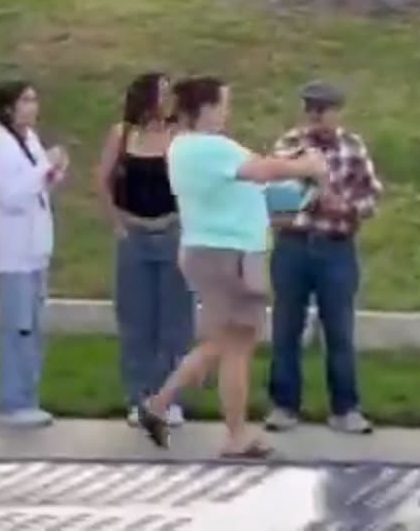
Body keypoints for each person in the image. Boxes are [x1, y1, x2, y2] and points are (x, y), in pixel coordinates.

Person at [137, 77, 327, 457]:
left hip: (209, 250)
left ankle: (194, 417)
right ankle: (168, 408)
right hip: (230, 255)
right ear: (205, 108)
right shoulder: (211, 147)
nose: (227, 111)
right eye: (223, 103)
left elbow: (245, 185)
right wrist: (308, 164)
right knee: (233, 343)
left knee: (229, 343)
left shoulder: (183, 147)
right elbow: (263, 170)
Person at [264, 81, 384, 436]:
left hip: (336, 247)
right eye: (310, 109)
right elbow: (273, 197)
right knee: (286, 328)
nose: (316, 116)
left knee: (339, 330)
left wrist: (346, 207)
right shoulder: (289, 146)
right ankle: (284, 405)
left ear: (337, 112)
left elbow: (372, 197)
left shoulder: (353, 148)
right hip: (294, 244)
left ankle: (345, 408)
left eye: (323, 109)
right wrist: (306, 198)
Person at [94, 73, 192, 428]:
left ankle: (169, 398)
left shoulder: (180, 137)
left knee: (174, 321)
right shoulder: (122, 135)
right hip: (134, 235)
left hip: (172, 232)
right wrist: (117, 224)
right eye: (162, 92)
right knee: (136, 320)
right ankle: (139, 397)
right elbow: (101, 179)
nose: (168, 99)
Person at [0, 81, 68, 428]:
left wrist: (53, 172)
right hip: (13, 250)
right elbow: (9, 195)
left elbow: (35, 186)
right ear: (7, 108)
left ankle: (28, 397)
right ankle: (11, 401)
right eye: (25, 100)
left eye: (34, 99)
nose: (33, 106)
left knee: (33, 326)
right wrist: (44, 169)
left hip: (35, 248)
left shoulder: (29, 139)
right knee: (18, 327)